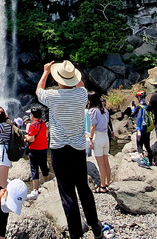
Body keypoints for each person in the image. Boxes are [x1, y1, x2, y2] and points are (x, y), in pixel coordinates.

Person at [36, 60, 104, 239]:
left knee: (67, 192)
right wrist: (74, 74)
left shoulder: (52, 97)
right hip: (78, 148)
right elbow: (80, 85)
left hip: (59, 149)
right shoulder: (82, 95)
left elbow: (38, 91)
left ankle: (75, 234)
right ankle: (96, 227)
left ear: (58, 80)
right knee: (83, 188)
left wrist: (45, 72)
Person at [87, 91, 111, 193]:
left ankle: (102, 186)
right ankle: (108, 183)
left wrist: (91, 139)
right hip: (106, 137)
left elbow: (93, 126)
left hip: (98, 137)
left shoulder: (92, 111)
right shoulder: (105, 111)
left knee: (100, 164)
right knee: (106, 162)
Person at [25, 105, 49, 201]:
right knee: (44, 166)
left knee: (34, 168)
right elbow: (46, 135)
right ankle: (46, 186)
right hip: (44, 148)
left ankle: (35, 190)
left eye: (30, 114)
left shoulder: (32, 125)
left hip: (34, 149)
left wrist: (26, 137)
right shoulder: (43, 123)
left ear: (33, 115)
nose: (30, 116)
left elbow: (31, 138)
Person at [133, 91, 153, 166]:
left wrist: (133, 109)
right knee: (147, 145)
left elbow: (133, 115)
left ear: (139, 98)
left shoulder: (139, 107)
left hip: (140, 129)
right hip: (147, 129)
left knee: (139, 145)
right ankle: (150, 162)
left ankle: (142, 161)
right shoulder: (148, 107)